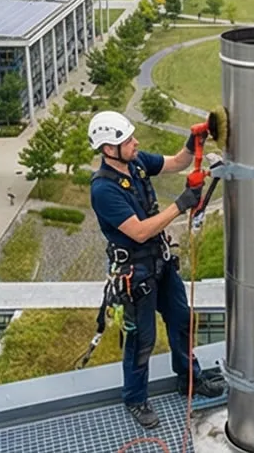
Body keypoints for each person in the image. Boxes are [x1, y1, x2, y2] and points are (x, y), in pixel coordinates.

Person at [88, 111, 224, 429]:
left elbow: (175, 162)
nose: (136, 143)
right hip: (135, 272)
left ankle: (189, 378)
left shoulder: (135, 162)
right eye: (128, 140)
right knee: (142, 339)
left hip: (159, 262)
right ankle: (135, 399)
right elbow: (138, 232)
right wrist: (180, 204)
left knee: (182, 319)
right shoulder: (104, 189)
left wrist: (193, 143)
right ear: (109, 149)